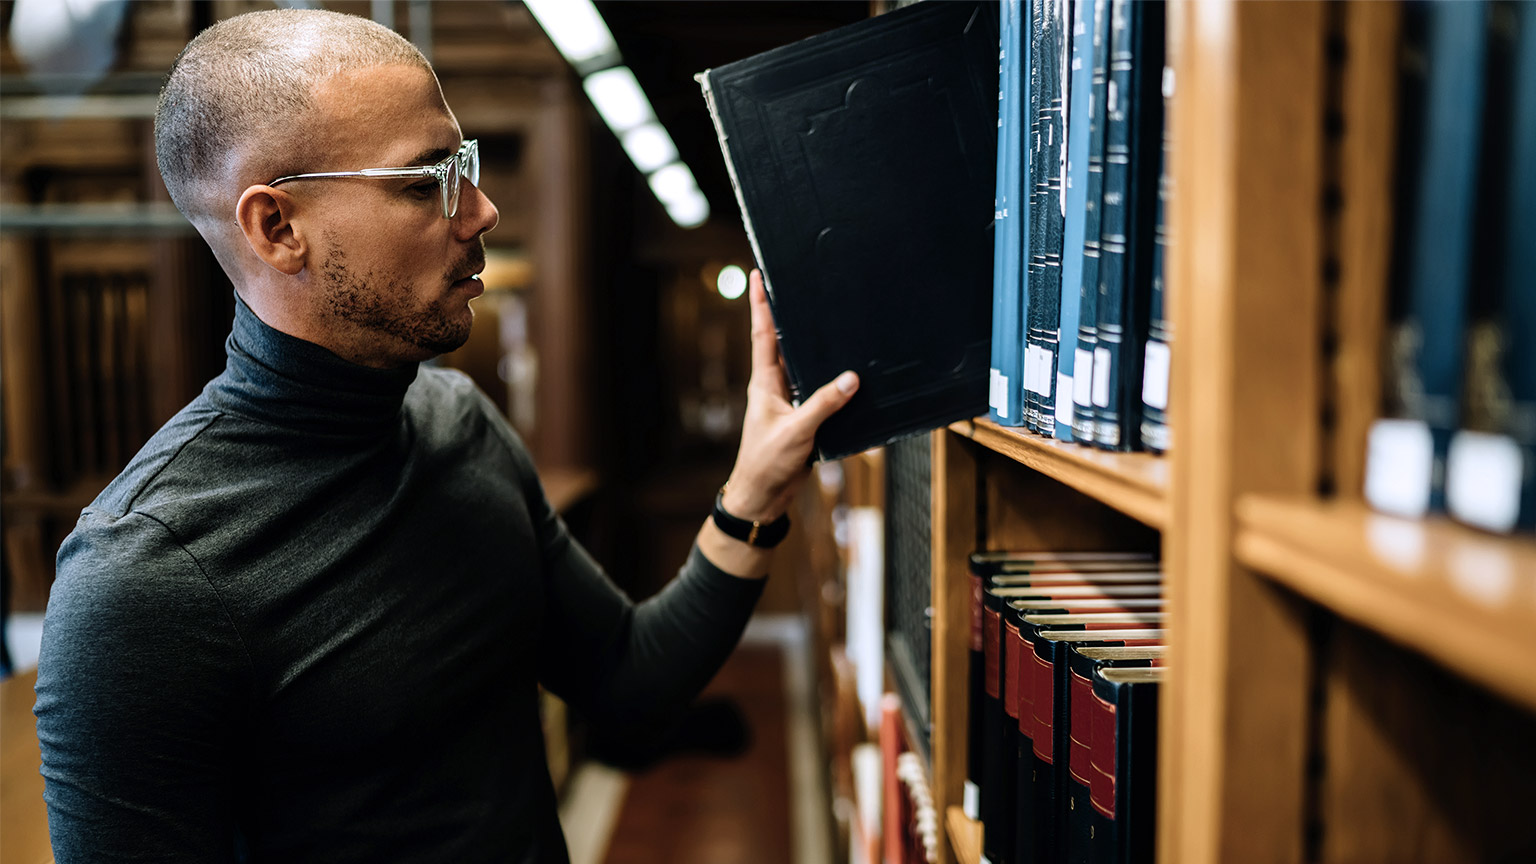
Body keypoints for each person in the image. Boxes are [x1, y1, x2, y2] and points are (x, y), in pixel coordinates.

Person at [33, 9, 859, 863]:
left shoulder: (456, 420)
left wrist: (754, 491)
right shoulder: (145, 580)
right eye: (426, 180)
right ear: (278, 229)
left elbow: (627, 684)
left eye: (461, 165)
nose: (483, 210)